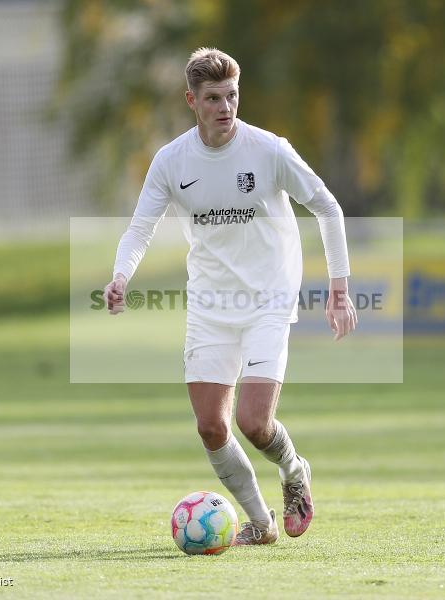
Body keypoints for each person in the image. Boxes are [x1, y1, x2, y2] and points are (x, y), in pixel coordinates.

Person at [104, 47, 356, 545]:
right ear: (192, 101)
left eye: (232, 96)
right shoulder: (172, 160)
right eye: (214, 98)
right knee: (212, 429)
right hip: (209, 304)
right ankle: (259, 524)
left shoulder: (269, 151)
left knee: (253, 422)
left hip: (269, 296)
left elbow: (328, 207)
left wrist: (339, 288)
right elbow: (139, 229)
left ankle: (293, 469)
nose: (226, 107)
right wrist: (120, 275)